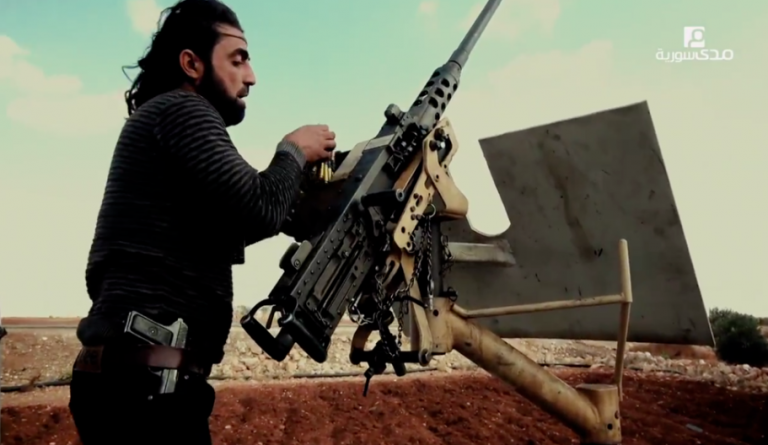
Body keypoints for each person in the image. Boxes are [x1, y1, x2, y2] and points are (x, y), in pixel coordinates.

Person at [67, 0, 336, 444]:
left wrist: (301, 206)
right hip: (147, 393)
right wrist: (293, 150)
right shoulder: (182, 109)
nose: (251, 76)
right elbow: (259, 206)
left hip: (131, 383)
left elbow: (235, 225)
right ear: (192, 64)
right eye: (238, 59)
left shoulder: (161, 117)